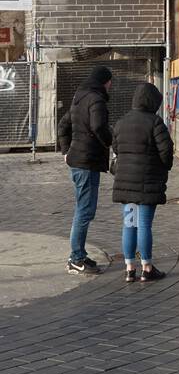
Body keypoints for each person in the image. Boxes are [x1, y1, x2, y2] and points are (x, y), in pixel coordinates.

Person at [111, 83, 174, 283]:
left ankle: (129, 268)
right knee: (144, 224)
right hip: (148, 183)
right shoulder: (155, 123)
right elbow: (166, 152)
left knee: (129, 224)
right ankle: (147, 268)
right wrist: (163, 167)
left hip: (126, 184)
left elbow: (116, 149)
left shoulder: (121, 123)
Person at [58, 65, 113, 275]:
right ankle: (76, 258)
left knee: (83, 209)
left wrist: (66, 151)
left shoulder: (79, 98)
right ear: (104, 82)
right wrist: (109, 142)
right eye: (110, 82)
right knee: (84, 211)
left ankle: (78, 254)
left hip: (77, 161)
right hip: (87, 162)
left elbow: (63, 126)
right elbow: (99, 127)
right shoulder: (96, 100)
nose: (110, 86)